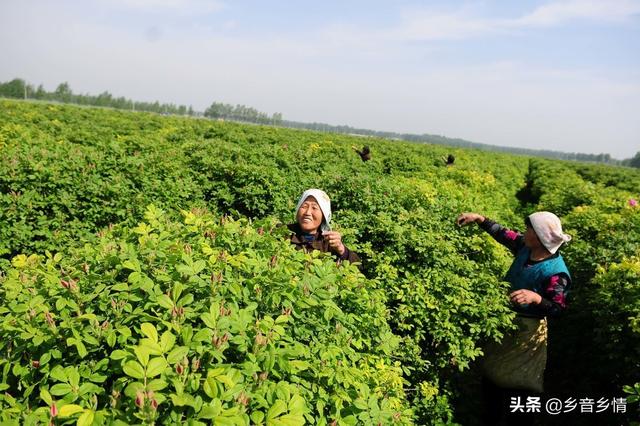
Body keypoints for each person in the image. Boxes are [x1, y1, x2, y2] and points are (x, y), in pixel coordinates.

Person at [456, 211, 572, 425]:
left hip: (528, 333)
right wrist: (480, 219)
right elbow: (504, 234)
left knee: (522, 383)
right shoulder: (526, 248)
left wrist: (537, 298)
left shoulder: (557, 272)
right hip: (504, 323)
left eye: (529, 229)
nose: (524, 232)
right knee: (493, 375)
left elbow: (558, 309)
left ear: (539, 236)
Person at [288, 189, 360, 265]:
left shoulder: (329, 241)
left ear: (324, 215)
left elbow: (358, 267)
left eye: (314, 208)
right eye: (304, 206)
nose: (307, 212)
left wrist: (341, 249)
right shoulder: (284, 233)